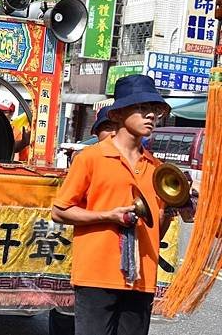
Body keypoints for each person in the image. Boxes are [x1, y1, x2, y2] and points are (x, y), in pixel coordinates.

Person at [51, 74, 173, 335]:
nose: (150, 115)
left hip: (141, 277)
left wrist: (172, 210)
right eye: (141, 108)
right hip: (96, 272)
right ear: (118, 115)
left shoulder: (157, 168)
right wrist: (109, 216)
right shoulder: (91, 158)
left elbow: (156, 230)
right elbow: (60, 211)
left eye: (154, 109)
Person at [48, 105, 116, 335]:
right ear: (97, 133)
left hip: (112, 258)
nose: (113, 133)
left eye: (117, 127)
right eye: (107, 128)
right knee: (66, 303)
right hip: (78, 244)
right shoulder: (86, 158)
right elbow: (62, 208)